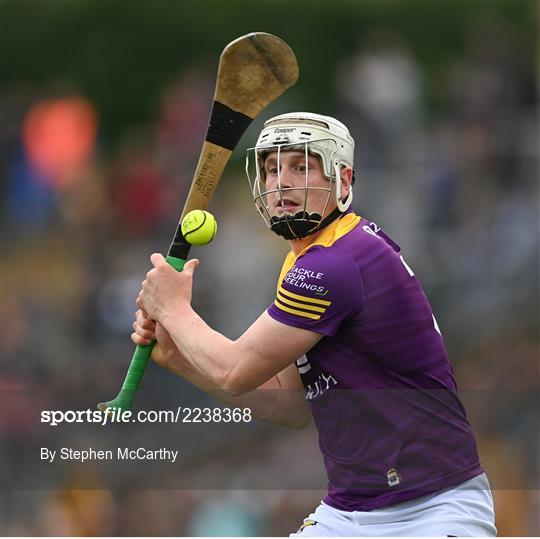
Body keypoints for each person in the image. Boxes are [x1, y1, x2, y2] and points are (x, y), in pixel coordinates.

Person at [132, 112, 497, 536]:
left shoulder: (335, 263)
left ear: (343, 182)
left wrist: (175, 309)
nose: (281, 182)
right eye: (271, 169)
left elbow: (234, 371)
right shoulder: (308, 260)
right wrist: (179, 359)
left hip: (434, 508)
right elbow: (288, 403)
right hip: (348, 514)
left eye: (300, 166)